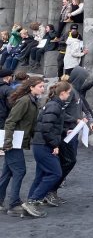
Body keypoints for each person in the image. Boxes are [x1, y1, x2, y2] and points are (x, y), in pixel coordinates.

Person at [23, 80, 72, 218]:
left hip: (40, 144)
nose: (69, 96)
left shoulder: (52, 105)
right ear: (62, 93)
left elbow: (50, 125)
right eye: (68, 93)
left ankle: (30, 203)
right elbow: (46, 128)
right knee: (55, 173)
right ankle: (32, 201)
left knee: (41, 175)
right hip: (43, 145)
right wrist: (54, 145)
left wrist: (64, 131)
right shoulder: (55, 106)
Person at [51, 66, 93, 204]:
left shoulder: (76, 91)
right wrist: (75, 120)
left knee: (70, 160)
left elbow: (85, 108)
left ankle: (53, 189)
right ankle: (52, 188)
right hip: (65, 132)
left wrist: (90, 120)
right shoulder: (68, 93)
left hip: (74, 131)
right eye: (83, 78)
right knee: (68, 160)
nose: (85, 81)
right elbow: (59, 111)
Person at [0, 77, 46, 217]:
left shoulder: (32, 101)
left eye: (43, 86)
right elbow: (10, 121)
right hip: (14, 142)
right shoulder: (25, 101)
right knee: (20, 171)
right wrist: (7, 142)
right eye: (40, 86)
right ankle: (14, 205)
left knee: (8, 172)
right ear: (31, 88)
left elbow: (30, 125)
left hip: (17, 141)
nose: (43, 89)